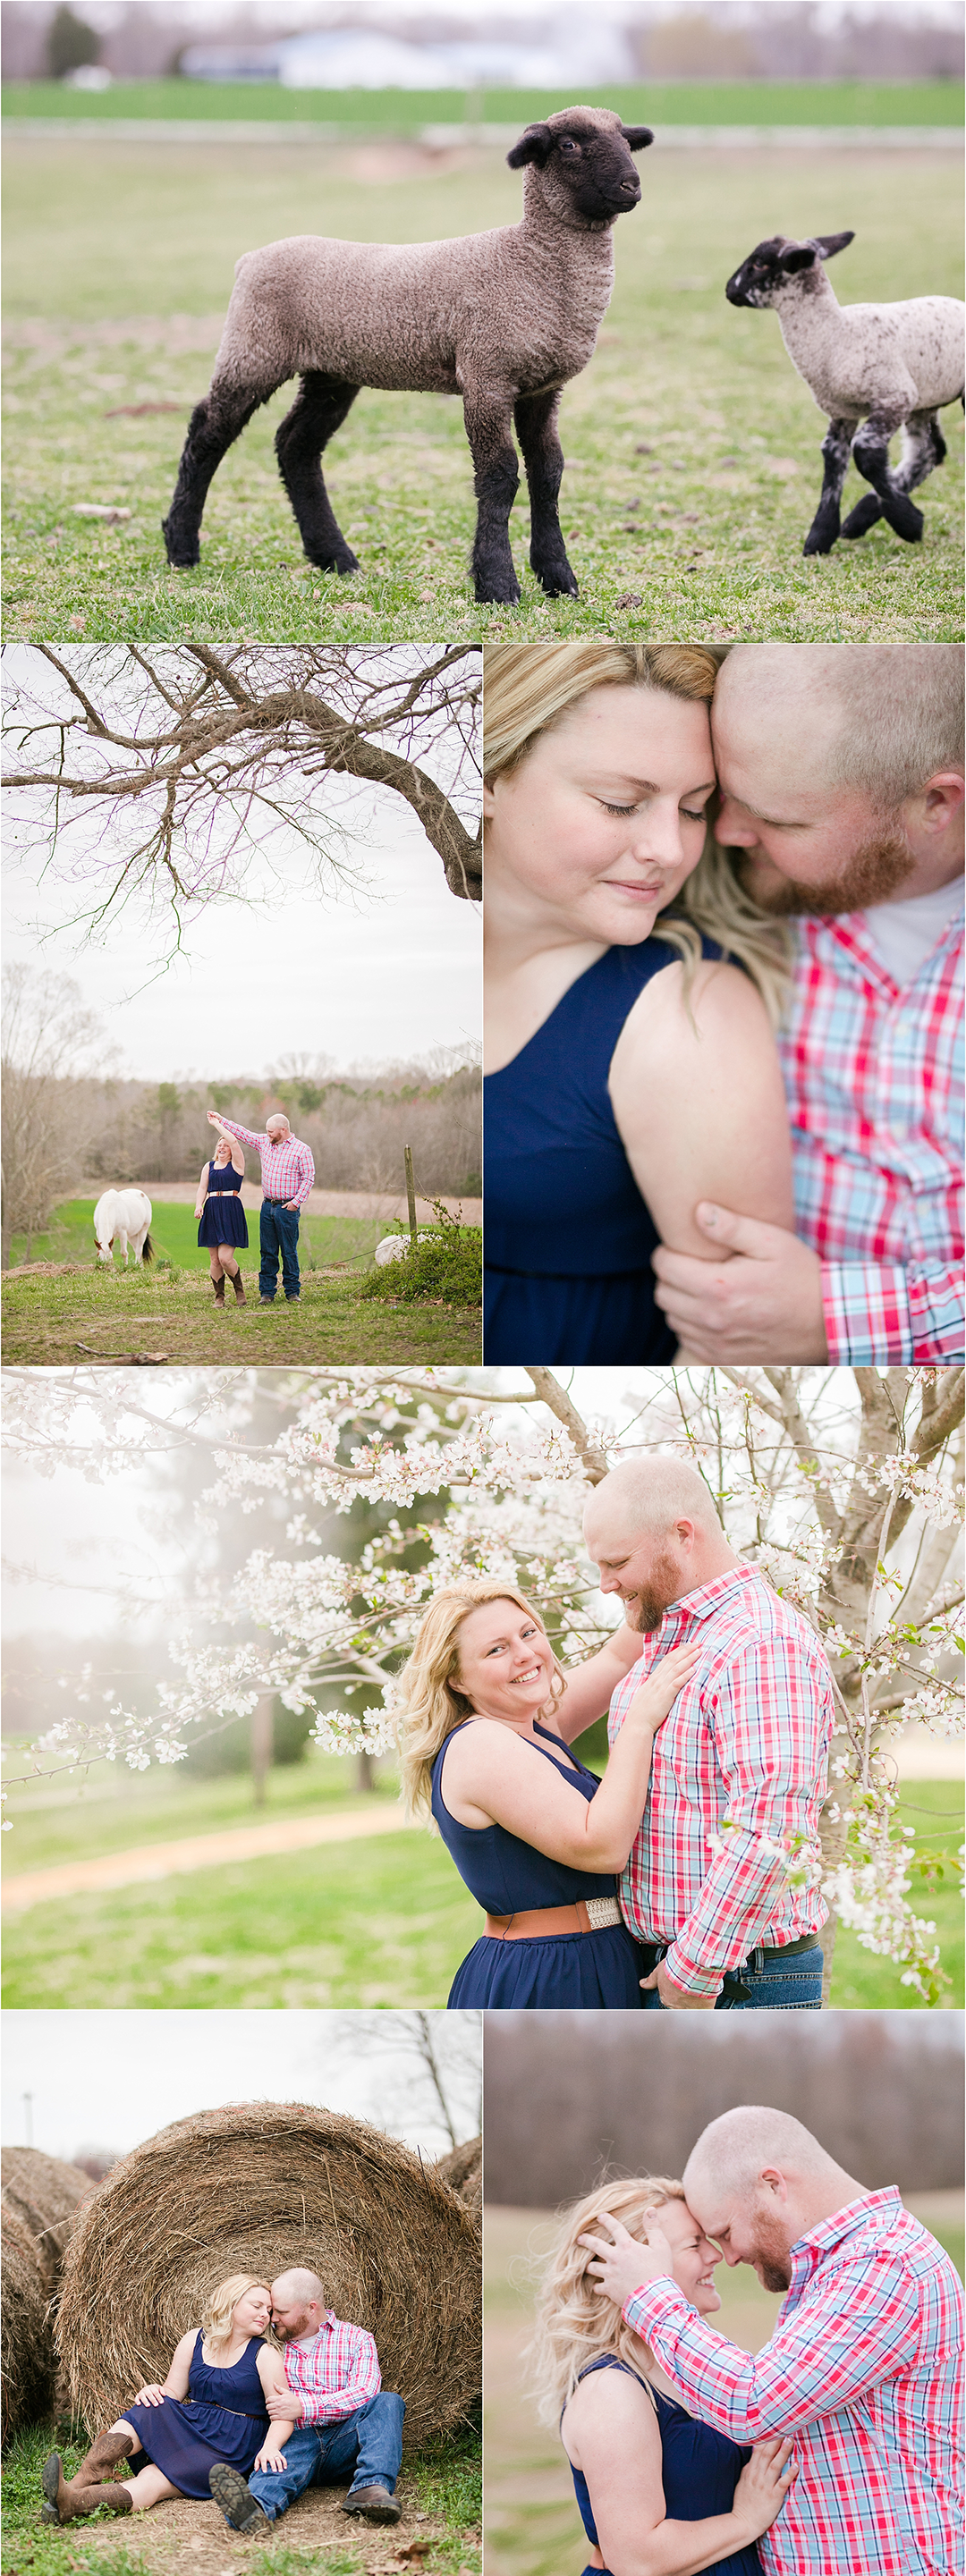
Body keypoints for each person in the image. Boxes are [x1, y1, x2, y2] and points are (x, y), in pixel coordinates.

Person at [584, 2104, 965, 2576]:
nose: (726, 2256)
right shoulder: (839, 2268)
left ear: (772, 2184)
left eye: (726, 2230)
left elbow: (755, 2402)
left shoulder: (881, 2264)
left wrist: (649, 2295)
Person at [483, 635, 797, 1365]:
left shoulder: (687, 1019)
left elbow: (740, 1345)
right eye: (622, 804)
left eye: (693, 809)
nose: (670, 848)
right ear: (492, 775)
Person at [652, 641, 964, 1364]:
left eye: (780, 821)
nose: (724, 834)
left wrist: (837, 1319)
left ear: (936, 805)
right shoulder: (720, 909)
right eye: (723, 797)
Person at [554, 1449, 834, 2011]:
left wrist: (695, 1969)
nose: (605, 1584)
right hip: (683, 1966)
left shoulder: (759, 1643)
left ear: (683, 1535)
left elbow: (769, 1823)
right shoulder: (672, 1630)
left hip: (739, 1980)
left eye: (617, 1563)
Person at [531, 2175, 789, 2576]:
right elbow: (638, 2558)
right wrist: (746, 2519)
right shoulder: (613, 2391)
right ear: (629, 2266)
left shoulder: (696, 2370)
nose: (716, 2256)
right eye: (694, 2244)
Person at [396, 1575, 703, 2010]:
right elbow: (602, 1848)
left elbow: (618, 1656)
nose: (525, 1655)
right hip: (548, 1979)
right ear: (458, 1680)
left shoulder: (533, 1724)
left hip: (595, 1958)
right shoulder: (479, 1745)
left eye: (528, 1633)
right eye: (496, 1649)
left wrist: (658, 1575)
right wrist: (639, 1724)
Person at [39, 2276, 295, 2523]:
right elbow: (172, 2393)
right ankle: (82, 2480)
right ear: (230, 2303)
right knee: (150, 2406)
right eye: (257, 2306)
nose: (266, 2314)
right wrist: (154, 2389)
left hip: (230, 2446)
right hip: (193, 2424)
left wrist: (270, 2447)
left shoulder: (265, 2355)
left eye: (269, 2309)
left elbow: (283, 2415)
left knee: (153, 2478)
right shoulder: (194, 2340)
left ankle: (72, 2503)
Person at [208, 2266, 405, 2535]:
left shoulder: (357, 2339)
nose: (271, 2318)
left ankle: (369, 2488)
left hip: (346, 2441)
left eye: (281, 2312)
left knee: (388, 2401)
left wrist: (303, 2407)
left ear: (311, 2308)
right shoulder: (266, 2344)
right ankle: (253, 2510)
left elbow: (365, 2392)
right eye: (270, 2310)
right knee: (276, 2462)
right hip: (296, 2439)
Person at [207, 1100, 315, 1305]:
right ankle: (267, 1293)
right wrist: (221, 1120)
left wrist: (296, 1202)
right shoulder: (265, 1143)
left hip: (287, 1208)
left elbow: (308, 1178)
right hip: (267, 1206)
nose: (267, 1135)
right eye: (266, 1131)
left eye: (271, 1132)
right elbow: (243, 1134)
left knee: (289, 1251)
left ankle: (292, 1291)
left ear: (283, 1130)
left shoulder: (302, 1150)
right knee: (267, 1251)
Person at [194, 1128, 248, 1305]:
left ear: (232, 1149)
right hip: (212, 1211)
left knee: (225, 1258)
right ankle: (219, 1297)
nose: (222, 1147)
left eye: (226, 1145)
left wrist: (217, 1123)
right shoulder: (208, 1167)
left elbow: (234, 1141)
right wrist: (198, 1206)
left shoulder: (237, 1166)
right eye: (219, 1144)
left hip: (230, 1211)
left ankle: (239, 1291)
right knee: (215, 1260)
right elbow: (202, 1188)